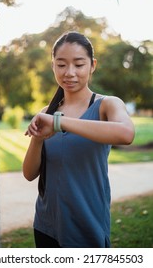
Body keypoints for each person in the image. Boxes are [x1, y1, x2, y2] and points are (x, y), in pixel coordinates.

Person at [23, 31, 135, 248]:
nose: (70, 73)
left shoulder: (107, 104)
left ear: (92, 65)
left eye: (79, 64)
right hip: (47, 225)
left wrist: (59, 123)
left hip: (87, 226)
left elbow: (126, 134)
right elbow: (29, 174)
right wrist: (38, 139)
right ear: (53, 66)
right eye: (62, 64)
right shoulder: (48, 111)